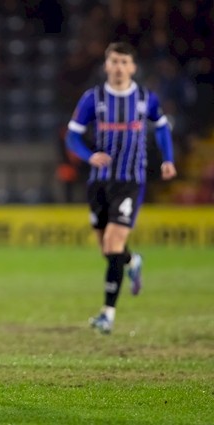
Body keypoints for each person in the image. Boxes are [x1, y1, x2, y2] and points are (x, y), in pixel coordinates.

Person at [65, 42, 177, 334]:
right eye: (113, 61)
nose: (118, 67)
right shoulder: (94, 99)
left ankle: (107, 314)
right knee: (108, 249)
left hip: (130, 181)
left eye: (124, 62)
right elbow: (72, 136)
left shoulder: (144, 98)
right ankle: (133, 260)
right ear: (106, 65)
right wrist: (89, 156)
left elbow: (162, 126)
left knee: (113, 243)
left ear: (133, 67)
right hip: (99, 182)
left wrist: (168, 159)